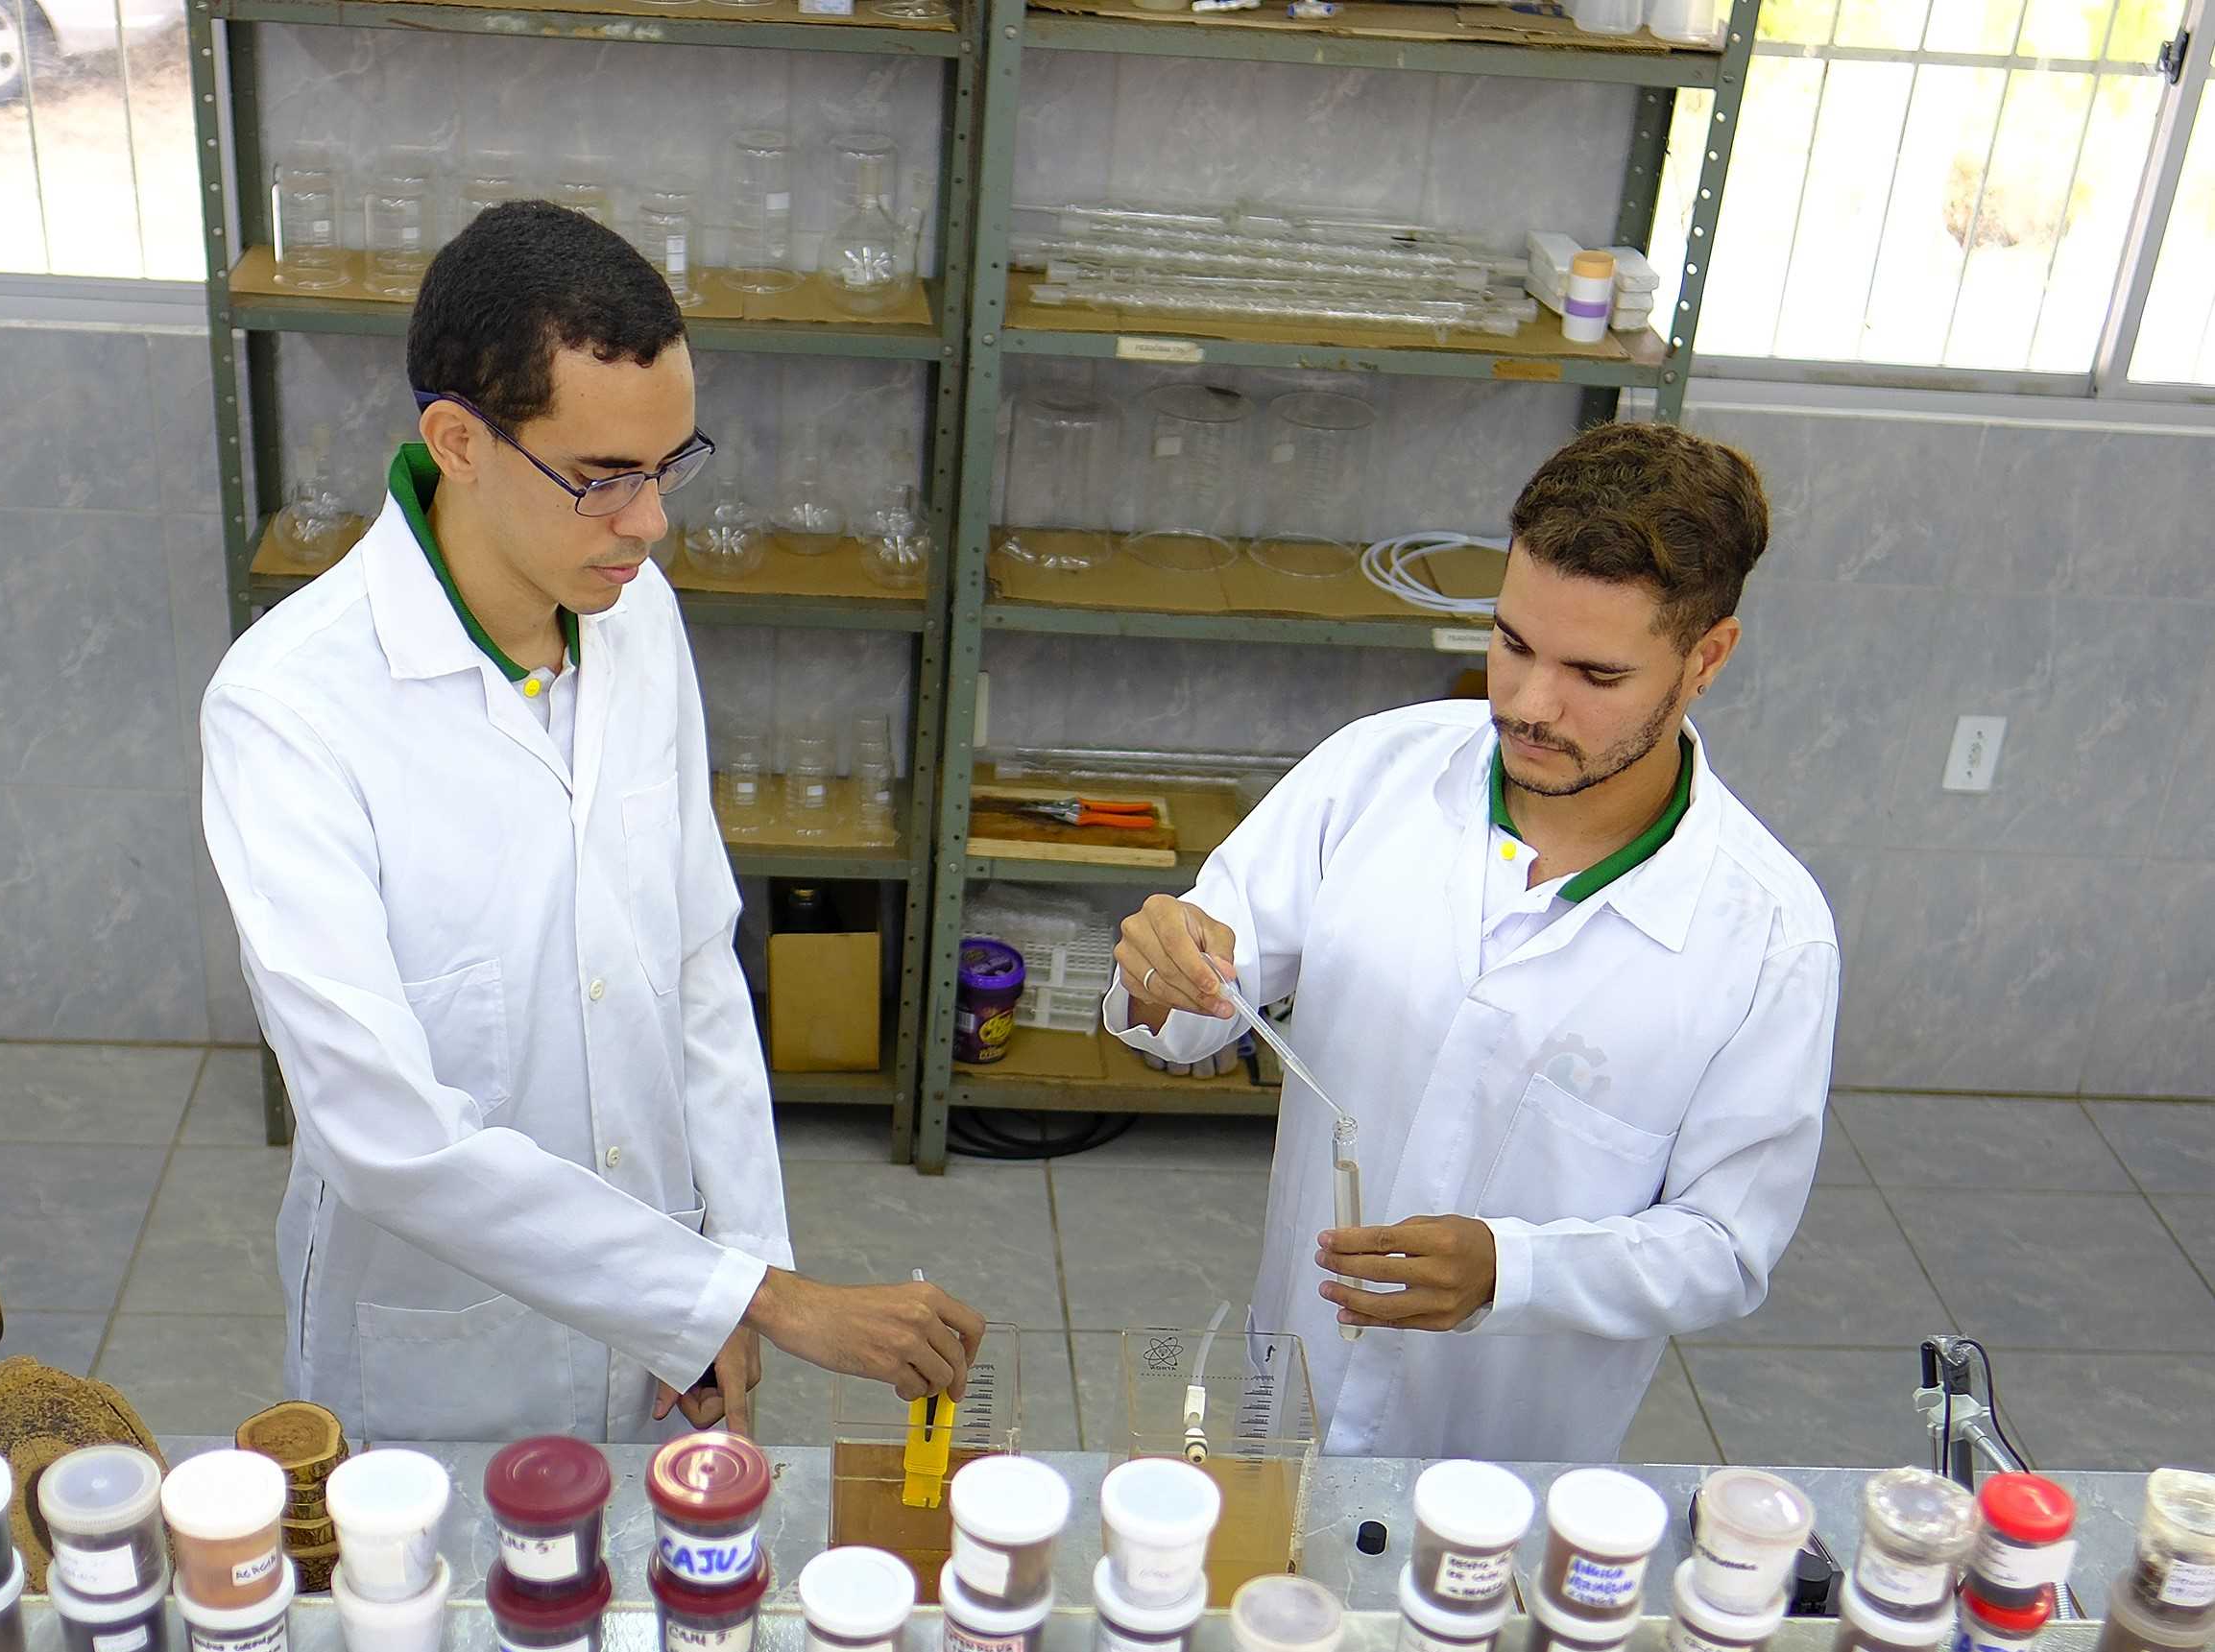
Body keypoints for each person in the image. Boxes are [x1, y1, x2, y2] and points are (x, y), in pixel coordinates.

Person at [202, 203, 981, 1446]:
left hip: (666, 1339)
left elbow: (693, 964)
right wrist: (752, 1297)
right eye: (605, 478)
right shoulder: (288, 708)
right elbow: (381, 1131)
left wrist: (731, 1263)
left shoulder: (636, 618)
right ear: (458, 441)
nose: (652, 522)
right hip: (438, 1364)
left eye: (671, 466)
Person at [1105, 421, 1837, 1462]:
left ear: (1706, 658)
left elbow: (1724, 1247)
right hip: (1290, 1403)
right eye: (1513, 643)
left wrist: (1510, 1270)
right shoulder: (1373, 773)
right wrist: (1156, 971)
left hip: (1507, 1467)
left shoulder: (1770, 940)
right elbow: (1176, 1013)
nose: (1532, 704)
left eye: (1595, 673)